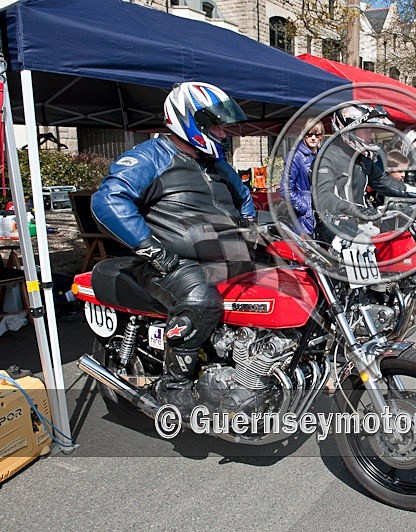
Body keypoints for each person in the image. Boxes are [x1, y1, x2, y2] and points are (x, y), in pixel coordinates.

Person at [92, 82, 255, 416]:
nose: (222, 131)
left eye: (222, 124)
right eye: (214, 124)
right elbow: (108, 200)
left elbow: (245, 199)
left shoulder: (216, 164)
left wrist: (254, 228)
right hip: (170, 262)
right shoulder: (152, 156)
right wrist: (153, 250)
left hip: (222, 254)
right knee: (201, 299)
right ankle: (175, 385)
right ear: (188, 119)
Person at [312, 104, 416, 237]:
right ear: (349, 130)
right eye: (366, 130)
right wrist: (358, 210)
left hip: (362, 226)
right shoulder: (326, 157)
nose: (370, 135)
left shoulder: (362, 158)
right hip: (334, 231)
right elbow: (323, 198)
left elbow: (386, 183)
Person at [278, 119, 323, 235]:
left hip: (322, 215)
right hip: (304, 219)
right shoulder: (295, 156)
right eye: (309, 134)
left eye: (317, 134)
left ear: (321, 136)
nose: (313, 137)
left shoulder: (323, 155)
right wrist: (305, 207)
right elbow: (285, 189)